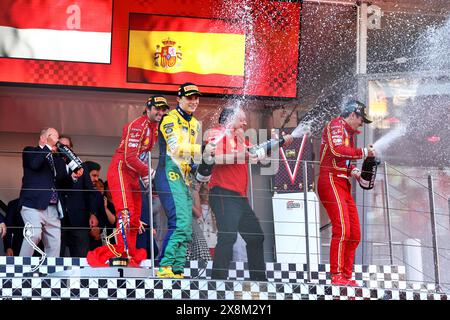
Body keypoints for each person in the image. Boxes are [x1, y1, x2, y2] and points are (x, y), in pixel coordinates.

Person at [207, 107, 293, 281]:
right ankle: (217, 282)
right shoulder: (217, 133)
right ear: (230, 119)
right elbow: (213, 158)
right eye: (241, 119)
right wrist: (243, 155)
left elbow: (256, 153)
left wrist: (280, 142)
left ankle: (259, 281)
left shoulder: (241, 138)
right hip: (223, 192)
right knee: (228, 236)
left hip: (239, 197)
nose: (245, 123)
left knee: (256, 237)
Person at [87, 96, 169, 267]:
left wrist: (146, 178)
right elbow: (130, 157)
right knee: (125, 213)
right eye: (157, 108)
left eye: (163, 109)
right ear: (148, 109)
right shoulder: (137, 125)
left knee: (135, 217)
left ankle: (129, 254)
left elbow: (142, 156)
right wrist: (150, 173)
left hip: (134, 175)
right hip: (121, 171)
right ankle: (121, 253)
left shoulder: (154, 127)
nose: (161, 112)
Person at [317, 100, 376, 286]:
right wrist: (364, 152)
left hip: (342, 182)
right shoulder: (335, 125)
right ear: (353, 114)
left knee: (354, 233)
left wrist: (355, 172)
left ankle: (347, 276)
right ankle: (336, 276)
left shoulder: (348, 133)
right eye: (361, 119)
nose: (361, 124)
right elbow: (336, 151)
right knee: (342, 229)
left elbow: (343, 160)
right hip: (330, 180)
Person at [155, 82, 209, 278]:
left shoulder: (195, 123)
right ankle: (164, 265)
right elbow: (177, 149)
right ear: (179, 99)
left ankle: (177, 268)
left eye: (196, 97)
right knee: (179, 221)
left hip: (184, 177)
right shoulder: (169, 119)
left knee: (186, 225)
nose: (194, 101)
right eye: (189, 97)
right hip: (168, 173)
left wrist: (202, 168)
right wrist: (203, 149)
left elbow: (192, 157)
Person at [19, 127, 83, 257]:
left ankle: (51, 275)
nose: (56, 141)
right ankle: (21, 269)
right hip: (33, 205)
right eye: (53, 137)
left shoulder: (56, 159)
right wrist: (48, 146)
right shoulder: (29, 151)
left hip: (53, 207)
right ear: (43, 138)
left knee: (55, 244)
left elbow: (61, 183)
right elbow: (35, 164)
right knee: (34, 234)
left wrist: (73, 177)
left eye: (56, 138)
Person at [58, 136, 98, 257]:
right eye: (61, 146)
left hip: (79, 217)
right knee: (57, 255)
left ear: (71, 149)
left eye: (67, 147)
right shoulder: (53, 163)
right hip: (58, 217)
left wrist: (92, 213)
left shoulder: (81, 166)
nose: (64, 149)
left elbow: (89, 191)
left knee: (81, 255)